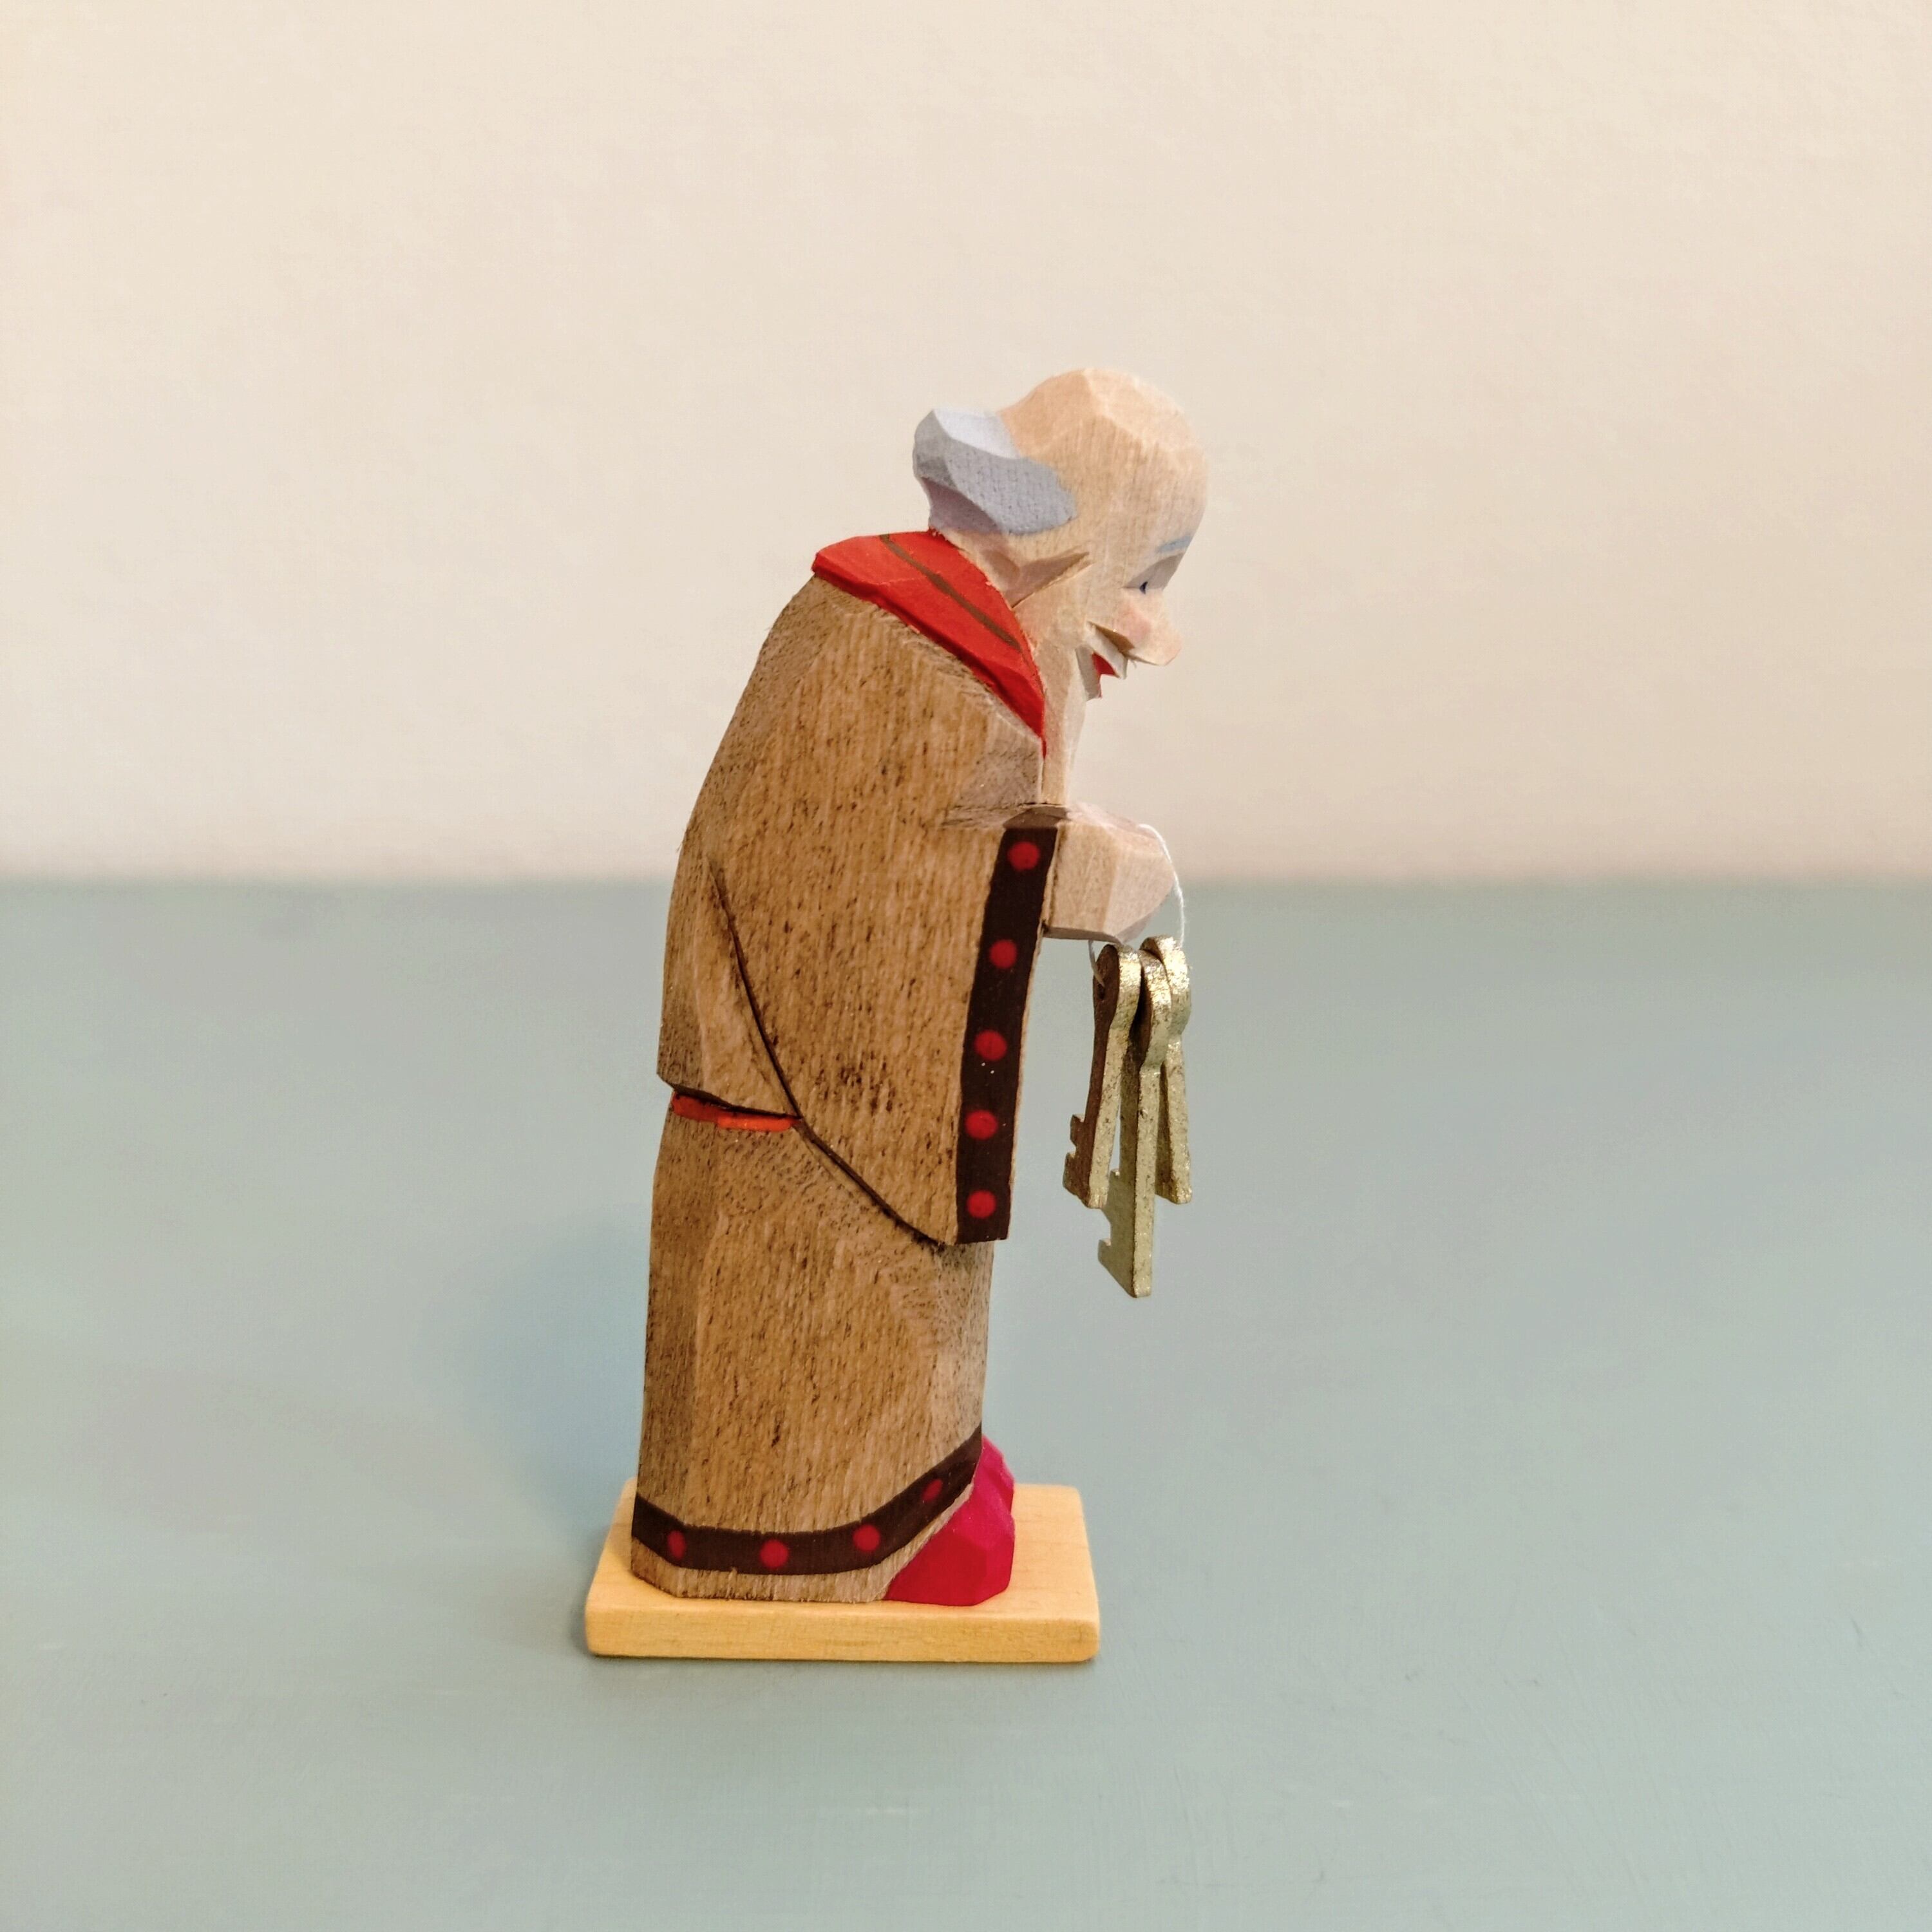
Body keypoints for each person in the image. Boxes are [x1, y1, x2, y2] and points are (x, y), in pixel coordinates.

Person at [630, 369, 1206, 1604]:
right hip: (799, 1153)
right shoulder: (890, 652)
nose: (1156, 633)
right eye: (1147, 577)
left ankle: (916, 1484)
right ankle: (826, 1537)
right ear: (1057, 540)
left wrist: (1042, 852)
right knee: (825, 1333)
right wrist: (1060, 872)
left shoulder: (953, 658)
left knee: (908, 1332)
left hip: (846, 1150)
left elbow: (932, 842)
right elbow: (837, 907)